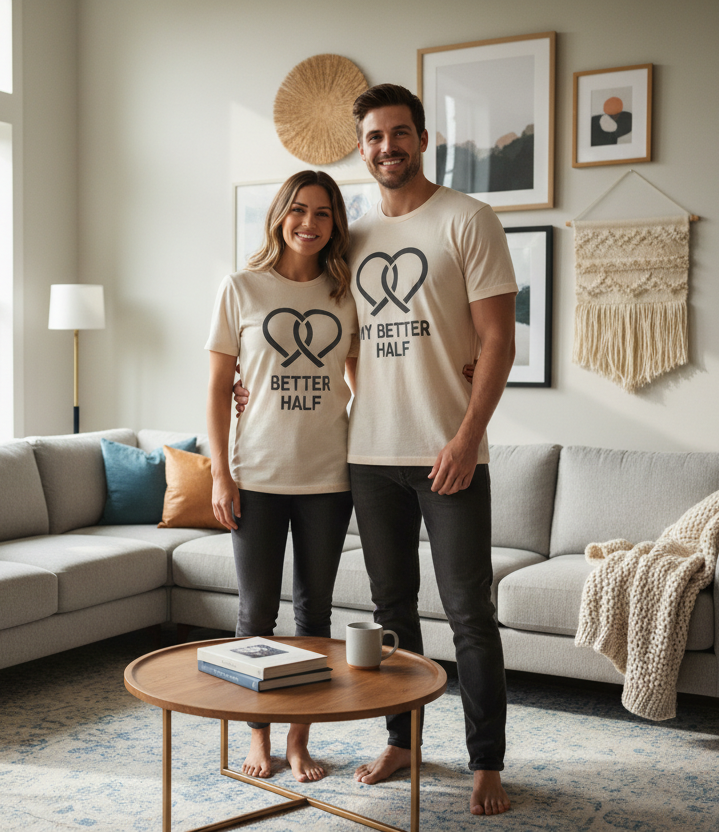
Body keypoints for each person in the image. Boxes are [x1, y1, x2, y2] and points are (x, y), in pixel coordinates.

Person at [234, 84, 518, 815]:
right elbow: (330, 337)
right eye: (373, 137)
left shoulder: (468, 219)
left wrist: (466, 436)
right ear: (361, 148)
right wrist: (254, 386)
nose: (386, 147)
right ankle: (403, 737)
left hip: (449, 455)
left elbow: (497, 341)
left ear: (423, 140)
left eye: (399, 133)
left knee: (468, 614)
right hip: (366, 457)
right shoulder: (352, 236)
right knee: (392, 612)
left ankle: (486, 759)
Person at [205, 169, 360, 783]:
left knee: (314, 617)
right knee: (255, 616)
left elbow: (366, 379)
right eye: (298, 210)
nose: (308, 223)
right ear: (278, 215)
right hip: (257, 477)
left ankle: (299, 741)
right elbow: (218, 392)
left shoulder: (346, 294)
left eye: (323, 214)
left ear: (335, 224)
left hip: (329, 479)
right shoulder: (241, 289)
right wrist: (222, 475)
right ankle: (259, 737)